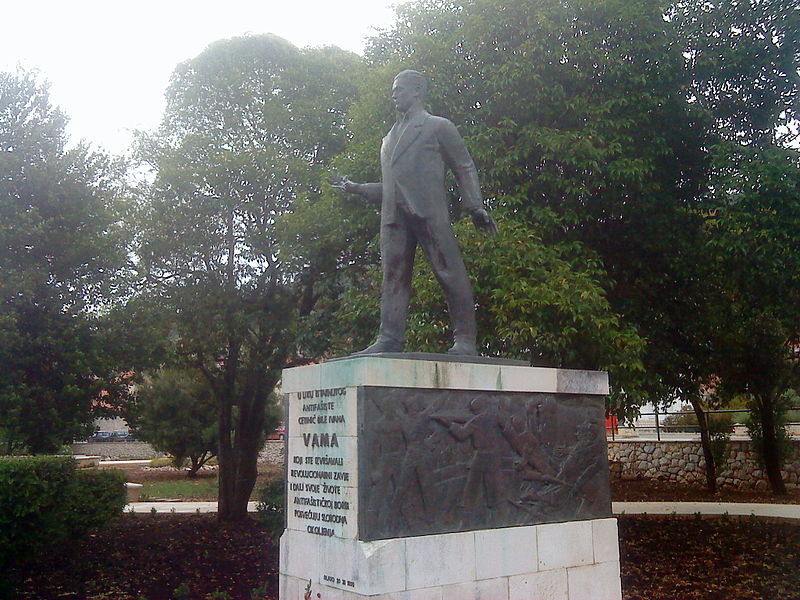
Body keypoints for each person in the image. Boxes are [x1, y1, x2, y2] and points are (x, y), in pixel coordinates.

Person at [333, 69, 497, 356]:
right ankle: (390, 338)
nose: (393, 94)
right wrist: (357, 188)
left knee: (449, 271)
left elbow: (464, 166)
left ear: (417, 91)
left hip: (429, 212)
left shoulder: (437, 126)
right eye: (393, 89)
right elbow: (392, 185)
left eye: (399, 88)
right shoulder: (389, 138)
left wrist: (475, 206)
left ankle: (465, 340)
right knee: (393, 276)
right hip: (394, 217)